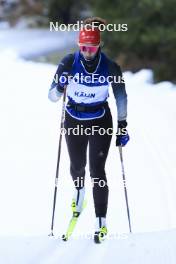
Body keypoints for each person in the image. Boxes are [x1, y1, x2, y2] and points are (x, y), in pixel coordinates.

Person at [48, 17, 129, 243]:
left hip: (100, 120)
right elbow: (52, 97)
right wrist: (60, 85)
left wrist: (122, 125)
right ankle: (79, 191)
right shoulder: (68, 62)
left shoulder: (110, 66)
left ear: (99, 46)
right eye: (83, 47)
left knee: (97, 171)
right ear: (78, 46)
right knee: (76, 167)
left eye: (92, 48)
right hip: (73, 119)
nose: (87, 52)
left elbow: (121, 97)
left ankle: (101, 221)